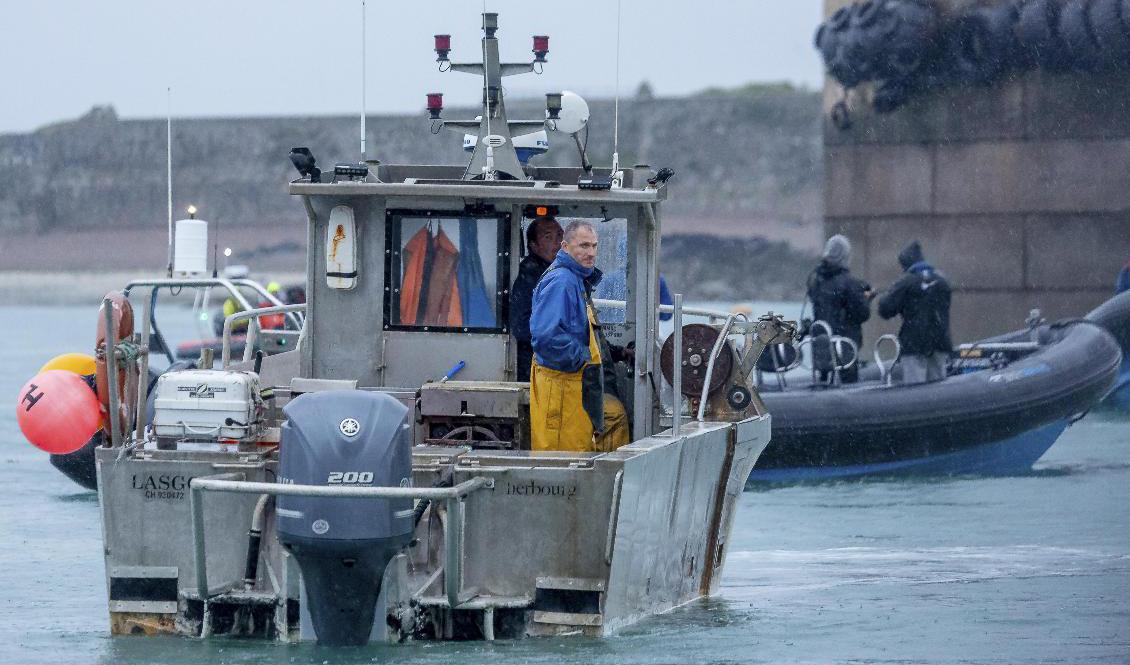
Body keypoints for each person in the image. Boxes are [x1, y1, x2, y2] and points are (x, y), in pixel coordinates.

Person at [529, 220, 629, 452]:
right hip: (561, 386)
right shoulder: (562, 281)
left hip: (574, 387)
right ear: (565, 247)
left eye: (594, 246)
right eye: (583, 246)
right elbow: (546, 338)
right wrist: (583, 358)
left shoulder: (575, 280)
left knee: (580, 451)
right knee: (561, 460)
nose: (591, 252)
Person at [878, 240, 952, 384]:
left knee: (915, 390)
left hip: (914, 342)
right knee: (939, 389)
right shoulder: (942, 281)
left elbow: (885, 309)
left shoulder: (906, 282)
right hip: (940, 341)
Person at [805, 234, 872, 383]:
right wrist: (866, 299)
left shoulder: (816, 281)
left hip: (821, 346)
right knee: (848, 382)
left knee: (824, 382)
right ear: (846, 256)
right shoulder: (850, 283)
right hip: (845, 347)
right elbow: (862, 314)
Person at [509, 216, 564, 380]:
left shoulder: (562, 274)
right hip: (537, 370)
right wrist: (563, 345)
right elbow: (521, 326)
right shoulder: (530, 276)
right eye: (548, 237)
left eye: (560, 235)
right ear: (534, 246)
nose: (558, 242)